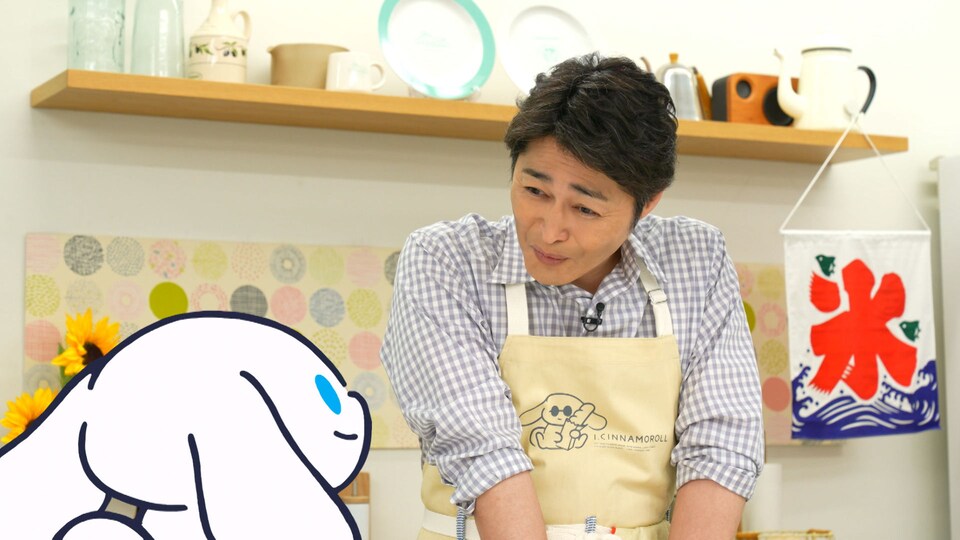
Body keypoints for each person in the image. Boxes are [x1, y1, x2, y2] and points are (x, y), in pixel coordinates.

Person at [380, 53, 764, 540]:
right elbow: (481, 448)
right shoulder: (447, 259)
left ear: (647, 203)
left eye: (584, 208)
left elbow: (722, 439)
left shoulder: (696, 258)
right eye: (534, 190)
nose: (549, 231)